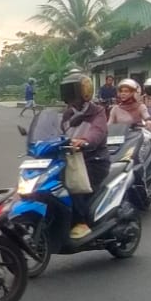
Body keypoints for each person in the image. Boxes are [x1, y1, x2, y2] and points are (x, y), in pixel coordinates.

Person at [59, 73, 109, 239]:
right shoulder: (67, 114)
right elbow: (57, 132)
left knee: (75, 185)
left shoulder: (97, 112)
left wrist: (85, 141)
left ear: (84, 91)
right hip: (72, 159)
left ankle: (81, 222)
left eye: (72, 91)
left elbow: (98, 131)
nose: (70, 96)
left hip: (93, 160)